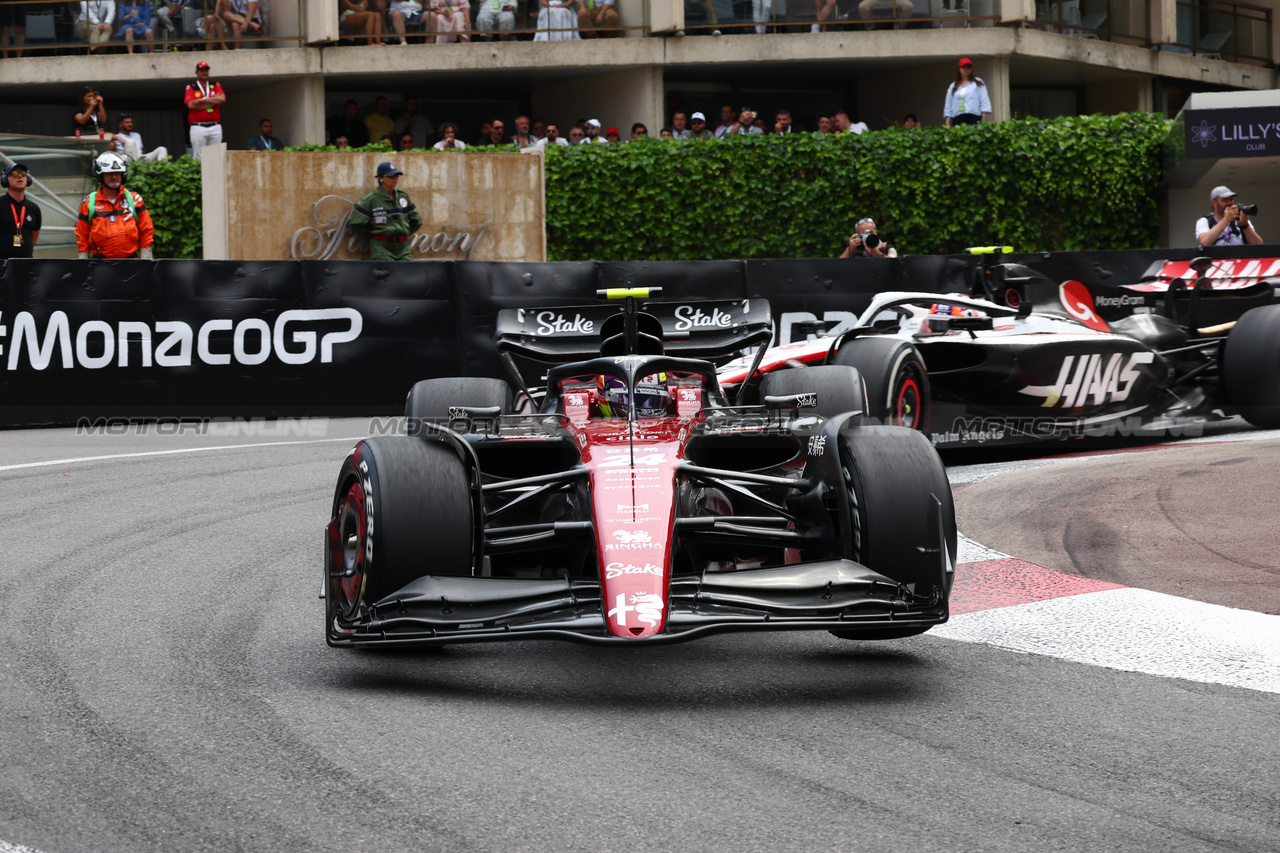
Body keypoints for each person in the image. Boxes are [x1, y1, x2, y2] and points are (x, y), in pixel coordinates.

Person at [76, 152, 155, 260]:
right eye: (109, 174)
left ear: (122, 176)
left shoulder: (134, 199)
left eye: (117, 173)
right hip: (100, 265)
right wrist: (83, 257)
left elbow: (146, 229)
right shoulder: (89, 203)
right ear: (101, 176)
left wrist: (146, 255)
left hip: (131, 263)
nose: (114, 177)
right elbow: (82, 234)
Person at [347, 161, 423, 261]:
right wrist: (374, 234)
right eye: (391, 176)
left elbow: (417, 221)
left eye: (396, 176)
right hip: (381, 247)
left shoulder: (403, 197)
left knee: (406, 273)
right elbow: (355, 223)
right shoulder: (371, 199)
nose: (395, 179)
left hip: (403, 247)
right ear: (380, 178)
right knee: (386, 274)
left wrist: (402, 231)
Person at [1196, 186, 1263, 247]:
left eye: (1231, 199)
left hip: (1239, 259)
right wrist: (1226, 220)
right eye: (1224, 200)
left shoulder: (1239, 219)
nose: (1229, 203)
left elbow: (1259, 245)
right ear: (1214, 203)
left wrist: (1245, 226)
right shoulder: (1204, 221)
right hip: (1215, 259)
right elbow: (1204, 242)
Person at [184, 61, 225, 160]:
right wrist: (213, 101)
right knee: (199, 157)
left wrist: (204, 100)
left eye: (206, 70)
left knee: (216, 156)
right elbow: (191, 105)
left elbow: (222, 99)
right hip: (198, 127)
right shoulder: (191, 86)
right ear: (196, 72)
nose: (204, 72)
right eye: (201, 70)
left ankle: (215, 176)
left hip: (215, 126)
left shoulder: (215, 84)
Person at [1, 164, 41, 261]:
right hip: (2, 263)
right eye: (14, 174)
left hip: (26, 263)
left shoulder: (34, 208)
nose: (20, 176)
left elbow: (34, 235)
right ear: (5, 180)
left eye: (23, 173)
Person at [944, 58, 991, 127]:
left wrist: (984, 116)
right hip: (958, 117)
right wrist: (948, 122)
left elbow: (984, 99)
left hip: (974, 115)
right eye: (963, 67)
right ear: (959, 69)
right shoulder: (953, 86)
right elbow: (948, 104)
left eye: (968, 67)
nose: (966, 69)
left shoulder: (978, 83)